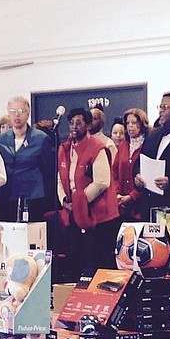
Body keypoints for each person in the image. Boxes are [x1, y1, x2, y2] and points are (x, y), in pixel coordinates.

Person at [57, 107, 118, 280]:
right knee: (76, 259)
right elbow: (59, 179)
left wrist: (80, 201)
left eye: (79, 123)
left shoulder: (98, 148)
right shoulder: (64, 148)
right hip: (73, 212)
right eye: (71, 123)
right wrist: (64, 200)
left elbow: (102, 182)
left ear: (88, 125)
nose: (74, 127)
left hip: (98, 215)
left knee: (97, 261)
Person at [0, 95, 54, 222]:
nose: (17, 115)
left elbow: (49, 170)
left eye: (21, 111)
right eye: (13, 111)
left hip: (33, 197)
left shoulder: (41, 138)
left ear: (28, 114)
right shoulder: (1, 139)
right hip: (7, 196)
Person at [111, 108, 150, 219]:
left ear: (141, 124)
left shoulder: (149, 144)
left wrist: (132, 196)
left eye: (133, 122)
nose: (130, 126)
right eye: (128, 123)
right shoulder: (123, 145)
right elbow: (115, 173)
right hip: (121, 206)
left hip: (141, 206)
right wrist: (117, 194)